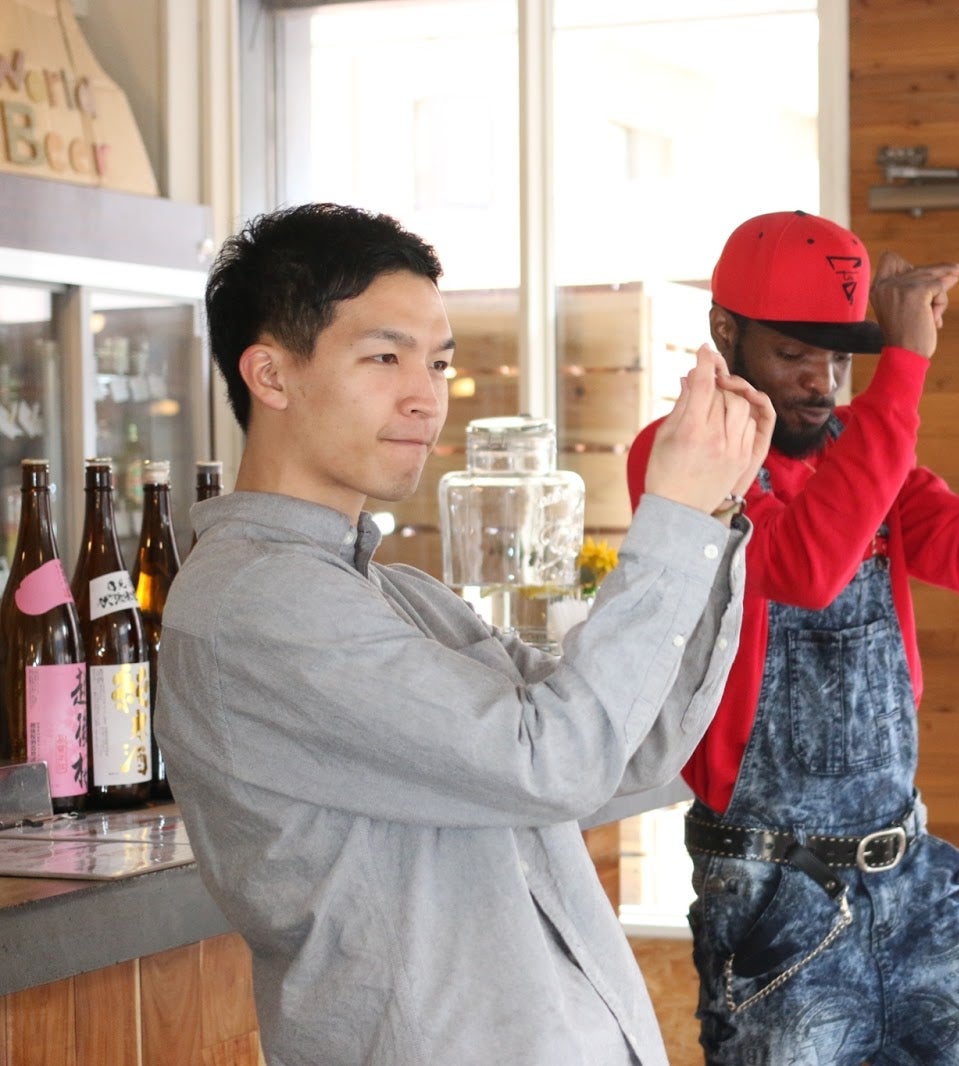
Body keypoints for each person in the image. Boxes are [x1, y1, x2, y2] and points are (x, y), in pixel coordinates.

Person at [156, 202, 773, 1066]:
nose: (426, 396)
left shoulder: (401, 596)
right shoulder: (255, 603)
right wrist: (669, 520)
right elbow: (554, 762)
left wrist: (705, 516)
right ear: (271, 374)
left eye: (439, 362)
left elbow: (628, 753)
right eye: (385, 357)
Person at [625, 210, 959, 1064]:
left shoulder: (864, 455)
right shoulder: (679, 455)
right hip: (774, 899)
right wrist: (902, 370)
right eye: (795, 353)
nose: (822, 382)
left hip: (912, 881)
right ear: (725, 332)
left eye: (840, 359)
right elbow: (805, 568)